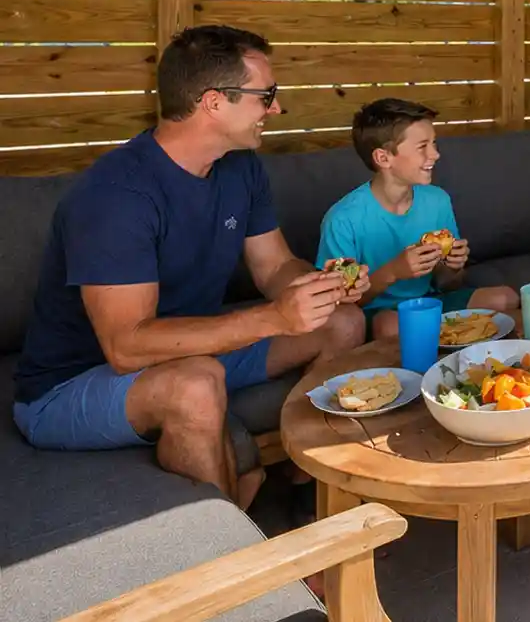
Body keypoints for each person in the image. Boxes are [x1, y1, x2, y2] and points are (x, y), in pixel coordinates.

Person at [11, 26, 366, 509]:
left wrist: (320, 288)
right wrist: (272, 318)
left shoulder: (239, 167)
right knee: (195, 384)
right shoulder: (116, 196)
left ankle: (310, 497)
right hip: (73, 385)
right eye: (268, 95)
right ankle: (235, 566)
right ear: (214, 103)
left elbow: (274, 266)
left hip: (197, 350)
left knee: (342, 323)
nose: (276, 108)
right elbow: (126, 347)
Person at [316, 99, 519, 339]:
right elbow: (340, 306)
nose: (435, 154)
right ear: (383, 158)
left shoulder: (437, 200)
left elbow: (447, 283)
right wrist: (393, 272)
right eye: (422, 146)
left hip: (431, 302)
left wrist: (452, 267)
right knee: (392, 327)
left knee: (506, 297)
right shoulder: (342, 219)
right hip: (379, 313)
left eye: (434, 143)